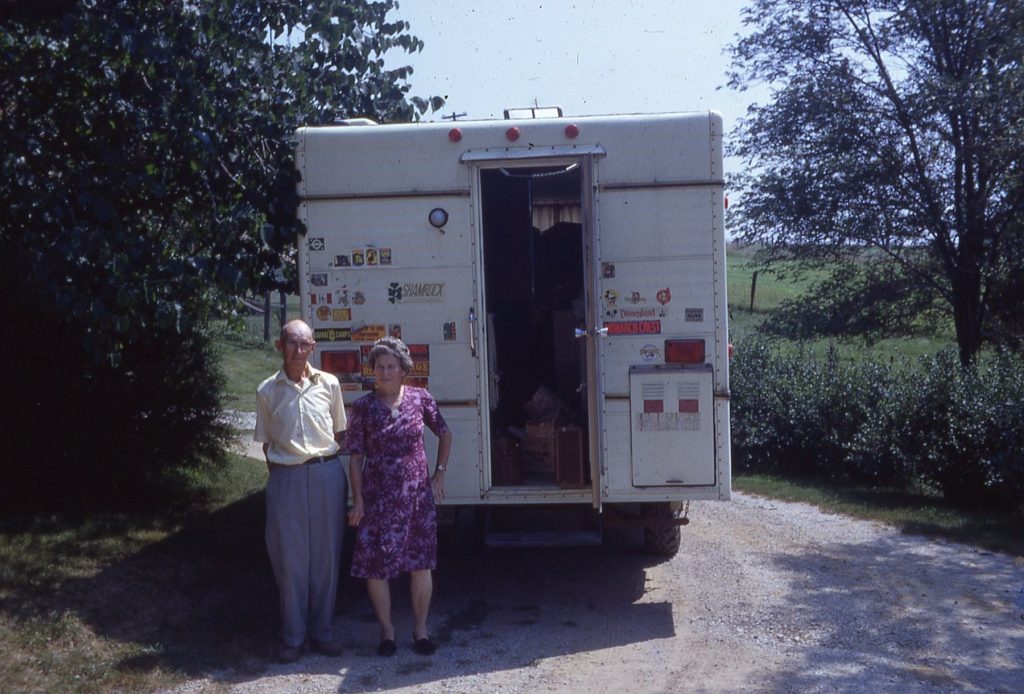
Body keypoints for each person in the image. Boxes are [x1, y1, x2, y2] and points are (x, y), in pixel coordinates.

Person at [345, 336, 452, 657]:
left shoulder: (421, 399)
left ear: (404, 370)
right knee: (376, 568)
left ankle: (420, 630)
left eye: (391, 367)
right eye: (380, 367)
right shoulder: (363, 407)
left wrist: (439, 473)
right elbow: (354, 457)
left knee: (420, 565)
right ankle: (387, 632)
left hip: (416, 499)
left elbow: (445, 433)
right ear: (373, 371)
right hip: (377, 499)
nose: (385, 372)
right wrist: (358, 499)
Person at [255, 319, 348, 663]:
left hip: (326, 474)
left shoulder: (330, 384)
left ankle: (323, 633)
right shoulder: (267, 390)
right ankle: (293, 637)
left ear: (313, 347)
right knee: (289, 558)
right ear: (280, 346)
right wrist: (288, 469)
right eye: (291, 343)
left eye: (305, 344)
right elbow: (266, 444)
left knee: (326, 557)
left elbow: (339, 432)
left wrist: (317, 464)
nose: (298, 350)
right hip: (286, 478)